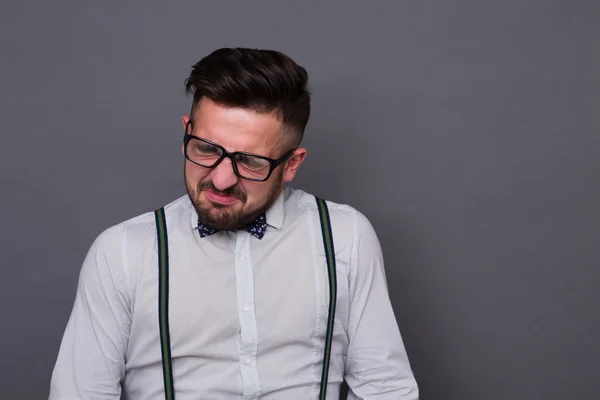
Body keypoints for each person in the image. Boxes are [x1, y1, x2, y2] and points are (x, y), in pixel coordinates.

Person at [49, 47, 419, 400]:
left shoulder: (344, 236)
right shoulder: (122, 252)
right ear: (186, 131)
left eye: (250, 162)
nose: (222, 180)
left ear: (292, 164)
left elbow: (384, 387)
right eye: (207, 149)